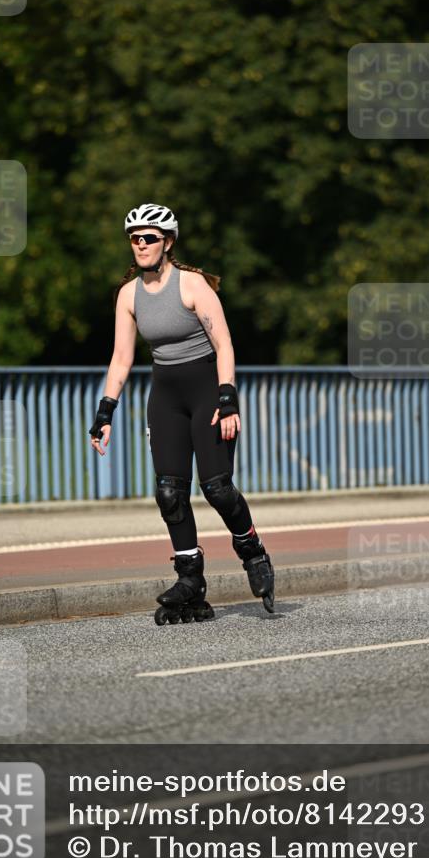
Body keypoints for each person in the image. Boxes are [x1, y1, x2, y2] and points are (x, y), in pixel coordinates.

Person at [89, 203, 275, 625]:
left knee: (217, 489)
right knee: (169, 493)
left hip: (208, 390)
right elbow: (121, 359)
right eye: (134, 238)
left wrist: (228, 400)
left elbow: (224, 345)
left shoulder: (192, 286)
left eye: (149, 237)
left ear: (167, 242)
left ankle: (252, 550)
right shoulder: (128, 295)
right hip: (166, 395)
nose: (140, 244)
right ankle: (190, 579)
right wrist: (105, 413)